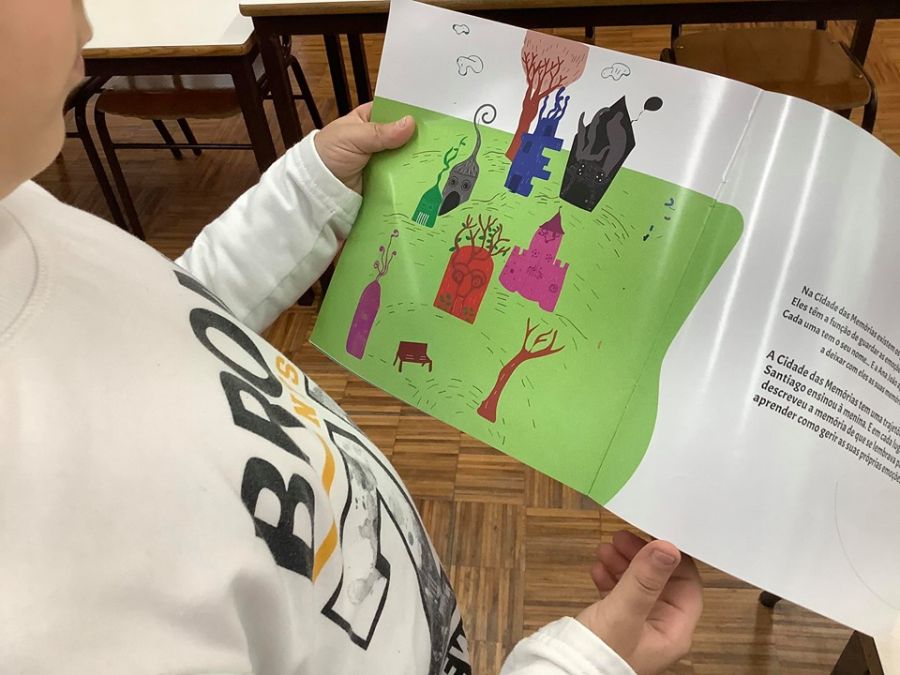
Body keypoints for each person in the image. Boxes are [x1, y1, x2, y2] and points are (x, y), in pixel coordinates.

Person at [0, 0, 703, 672]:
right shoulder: (40, 606)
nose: (85, 15)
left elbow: (168, 316)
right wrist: (581, 662)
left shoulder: (22, 207)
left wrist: (310, 186)